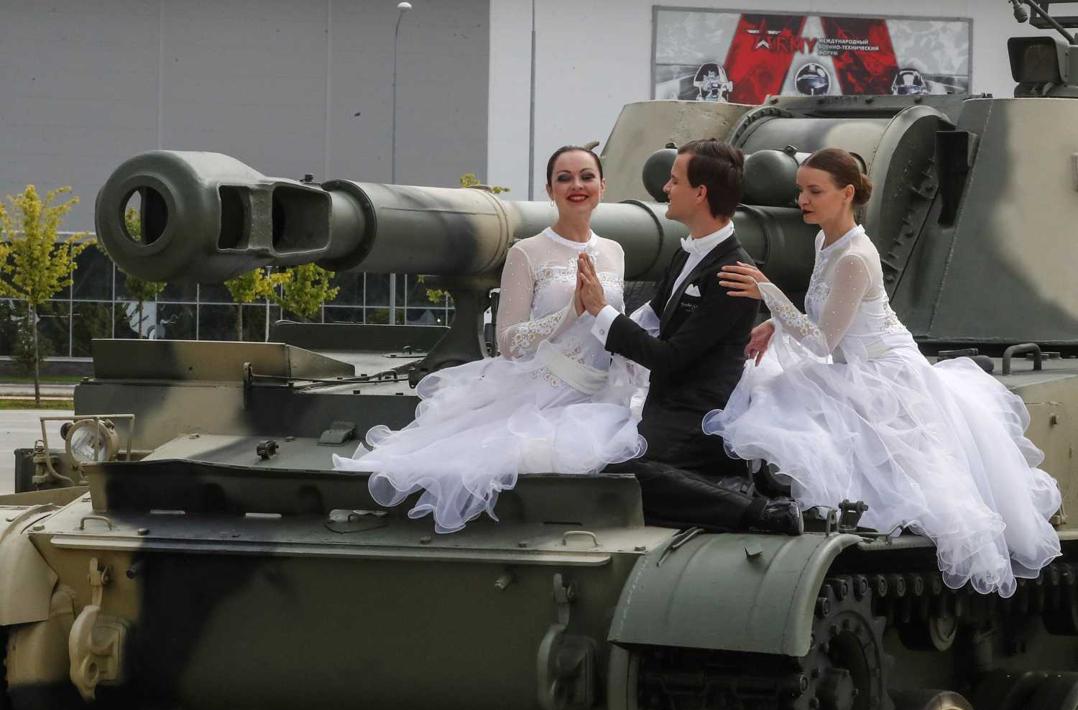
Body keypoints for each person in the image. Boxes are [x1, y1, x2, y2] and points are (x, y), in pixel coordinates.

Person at [706, 147, 1061, 597]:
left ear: (846, 193)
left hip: (881, 372)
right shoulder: (825, 240)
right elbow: (825, 311)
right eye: (800, 190)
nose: (803, 201)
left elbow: (821, 342)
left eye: (815, 191)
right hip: (852, 363)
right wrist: (775, 322)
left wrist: (767, 290)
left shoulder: (854, 256)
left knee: (788, 392)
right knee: (778, 387)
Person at [332, 146, 645, 533]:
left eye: (586, 176)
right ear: (550, 189)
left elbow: (614, 326)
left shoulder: (614, 252)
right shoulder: (526, 252)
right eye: (564, 178)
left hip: (602, 393)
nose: (576, 186)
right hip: (544, 396)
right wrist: (571, 313)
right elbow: (510, 341)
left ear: (602, 185)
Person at [577, 138, 802, 535]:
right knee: (587, 454)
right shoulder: (686, 254)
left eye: (674, 180)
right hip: (661, 402)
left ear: (700, 193)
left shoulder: (733, 272)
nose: (666, 188)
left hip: (699, 418)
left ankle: (755, 512)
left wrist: (602, 312)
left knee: (618, 471)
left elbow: (669, 357)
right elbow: (651, 320)